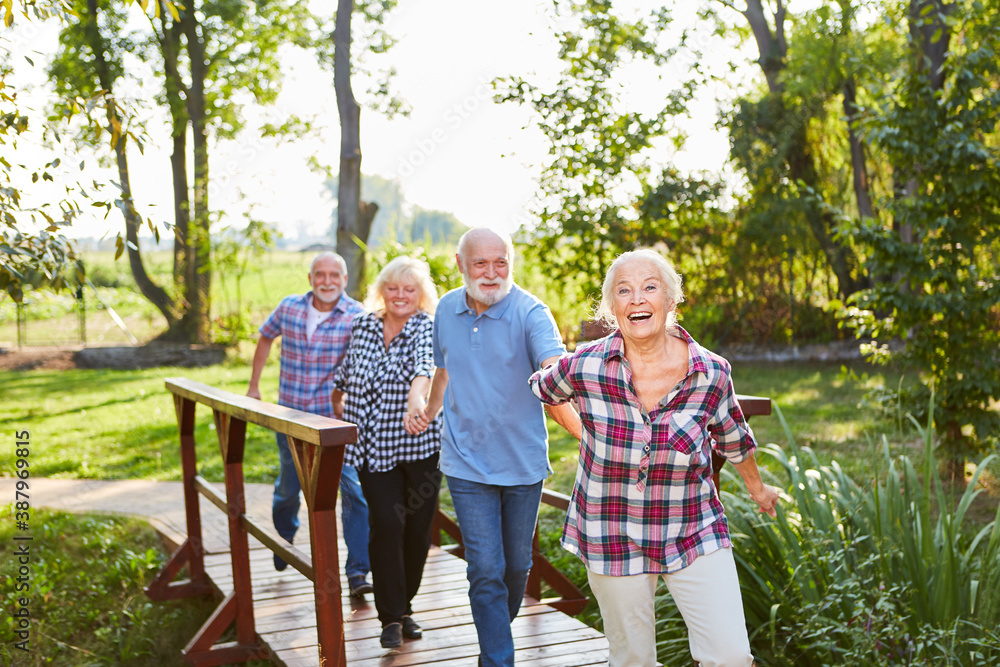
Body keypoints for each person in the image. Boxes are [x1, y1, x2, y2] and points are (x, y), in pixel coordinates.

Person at [528, 248, 780, 667]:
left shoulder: (711, 372)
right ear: (613, 308)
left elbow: (734, 437)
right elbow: (545, 389)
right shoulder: (587, 364)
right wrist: (584, 434)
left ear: (672, 300)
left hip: (692, 526)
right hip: (611, 528)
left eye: (650, 287)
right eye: (624, 291)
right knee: (633, 660)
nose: (637, 298)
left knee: (732, 656)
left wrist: (759, 489)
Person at [407, 228, 579, 667]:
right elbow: (443, 370)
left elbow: (552, 369)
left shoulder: (531, 312)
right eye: (480, 263)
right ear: (461, 265)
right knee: (484, 569)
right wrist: (428, 410)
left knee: (515, 568)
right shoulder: (445, 308)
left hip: (522, 463)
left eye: (499, 261)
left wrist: (584, 423)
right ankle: (498, 660)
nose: (490, 272)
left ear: (510, 264)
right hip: (465, 462)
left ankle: (492, 645)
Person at [330, 256, 443, 650]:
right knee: (386, 525)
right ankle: (390, 617)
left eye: (408, 289)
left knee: (416, 530)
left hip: (420, 447)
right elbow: (345, 374)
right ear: (382, 290)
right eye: (392, 288)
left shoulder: (427, 326)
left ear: (420, 294)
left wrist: (417, 401)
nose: (400, 296)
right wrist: (337, 405)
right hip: (372, 448)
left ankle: (405, 607)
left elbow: (424, 369)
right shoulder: (362, 325)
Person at [247, 251, 373, 598]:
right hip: (289, 417)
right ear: (310, 278)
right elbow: (264, 336)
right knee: (289, 487)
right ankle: (284, 537)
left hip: (334, 422)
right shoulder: (289, 306)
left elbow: (364, 362)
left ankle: (358, 571)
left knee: (353, 492)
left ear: (344, 280)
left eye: (335, 275)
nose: (327, 281)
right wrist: (254, 385)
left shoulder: (357, 315)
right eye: (321, 274)